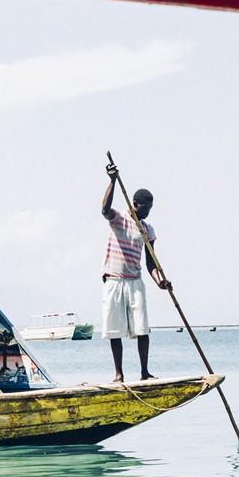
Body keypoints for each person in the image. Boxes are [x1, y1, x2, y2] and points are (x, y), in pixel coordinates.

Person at [101, 162, 171, 382]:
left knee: (142, 328)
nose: (147, 214)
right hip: (114, 279)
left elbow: (151, 263)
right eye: (145, 209)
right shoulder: (119, 219)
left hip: (135, 281)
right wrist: (112, 180)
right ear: (136, 205)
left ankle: (144, 372)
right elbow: (104, 210)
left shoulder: (147, 229)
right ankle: (119, 374)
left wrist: (161, 281)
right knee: (115, 330)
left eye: (150, 210)